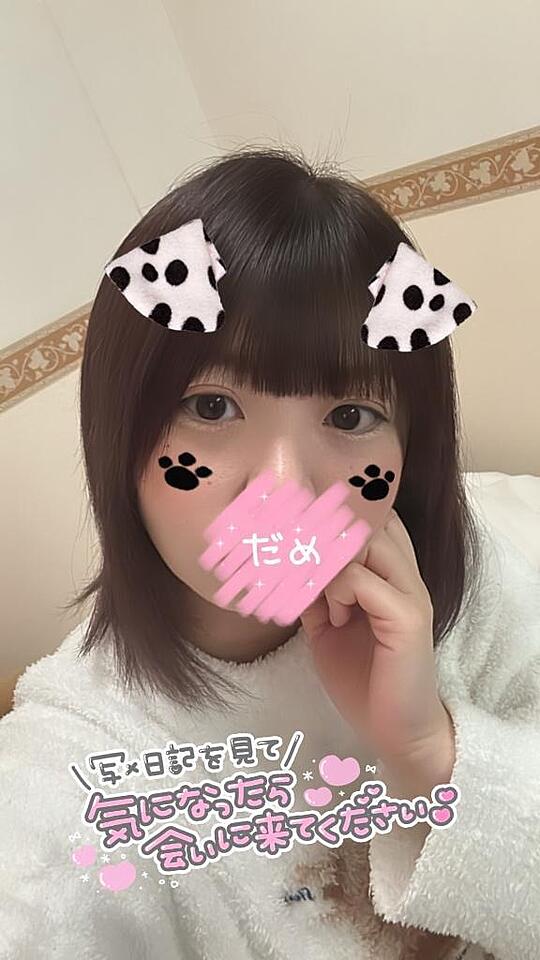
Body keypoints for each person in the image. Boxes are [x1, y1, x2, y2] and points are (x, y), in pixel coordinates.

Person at [0, 146, 538, 960]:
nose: (285, 487)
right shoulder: (75, 770)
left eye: (351, 417)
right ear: (120, 436)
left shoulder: (465, 586)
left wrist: (432, 750)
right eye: (211, 406)